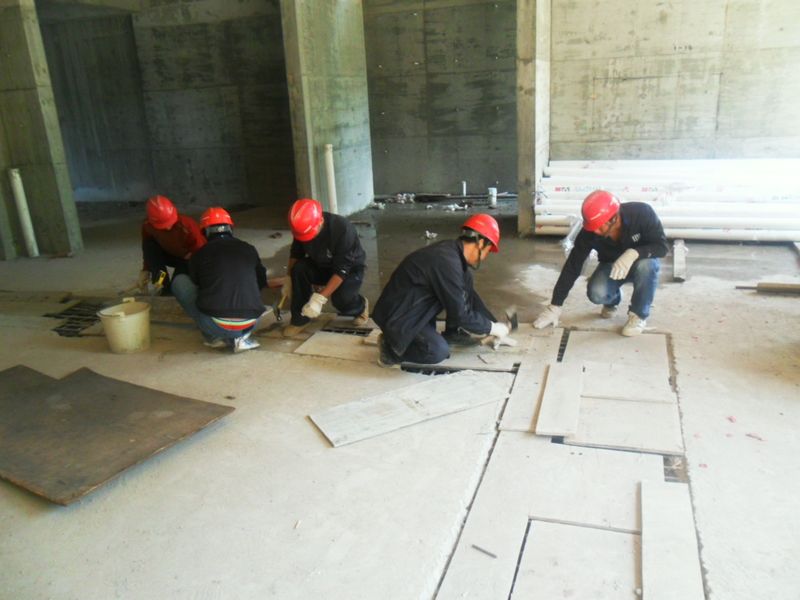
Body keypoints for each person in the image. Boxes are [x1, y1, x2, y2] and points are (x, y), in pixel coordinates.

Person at [372, 214, 514, 367]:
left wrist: (493, 326)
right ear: (480, 243)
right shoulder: (447, 262)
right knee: (436, 351)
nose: (485, 257)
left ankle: (453, 333)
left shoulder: (453, 256)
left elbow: (469, 298)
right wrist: (492, 328)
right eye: (488, 251)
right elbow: (460, 314)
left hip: (415, 309)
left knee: (466, 279)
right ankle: (390, 350)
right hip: (398, 316)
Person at [533, 190, 668, 336]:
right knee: (597, 293)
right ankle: (613, 299)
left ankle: (638, 315)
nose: (596, 231)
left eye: (599, 226)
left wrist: (634, 253)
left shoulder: (642, 213)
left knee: (648, 266)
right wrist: (555, 306)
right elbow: (573, 265)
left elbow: (662, 247)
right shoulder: (589, 232)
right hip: (611, 265)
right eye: (592, 227)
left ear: (614, 218)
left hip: (640, 262)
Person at [172, 207, 268, 353]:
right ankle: (241, 338)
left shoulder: (200, 254)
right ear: (230, 228)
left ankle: (214, 338)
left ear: (205, 232)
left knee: (179, 282)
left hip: (214, 324)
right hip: (251, 321)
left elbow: (197, 283)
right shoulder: (249, 248)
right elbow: (261, 281)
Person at [282, 198, 369, 336]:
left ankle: (360, 307)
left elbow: (342, 270)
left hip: (350, 269)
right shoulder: (302, 227)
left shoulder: (343, 229)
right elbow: (296, 254)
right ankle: (300, 320)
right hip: (321, 264)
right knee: (298, 269)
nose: (307, 239)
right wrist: (288, 278)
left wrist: (319, 299)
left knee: (341, 299)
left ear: (321, 221)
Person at [138, 195, 206, 295]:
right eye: (163, 225)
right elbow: (148, 249)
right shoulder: (148, 226)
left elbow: (202, 252)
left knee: (176, 287)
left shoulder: (187, 225)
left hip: (187, 259)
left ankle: (172, 288)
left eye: (170, 223)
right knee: (150, 247)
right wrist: (146, 269)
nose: (168, 228)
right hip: (169, 255)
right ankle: (161, 285)